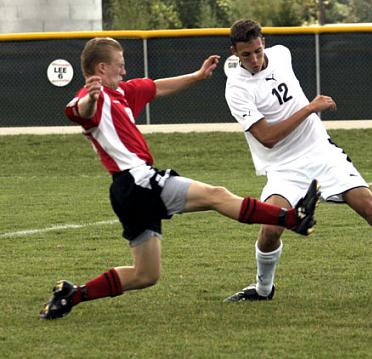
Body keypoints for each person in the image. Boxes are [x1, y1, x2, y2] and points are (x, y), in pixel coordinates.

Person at [39, 37, 321, 320]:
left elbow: (158, 86)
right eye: (120, 66)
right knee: (216, 195)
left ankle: (72, 295)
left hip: (130, 192)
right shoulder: (90, 99)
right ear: (101, 67)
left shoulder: (123, 92)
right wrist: (92, 97)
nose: (124, 71)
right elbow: (79, 111)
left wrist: (197, 77)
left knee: (145, 274)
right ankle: (293, 219)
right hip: (139, 182)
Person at [223, 19, 372, 302]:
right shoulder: (236, 89)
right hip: (283, 166)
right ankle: (263, 290)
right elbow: (268, 137)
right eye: (246, 54)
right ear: (234, 53)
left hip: (321, 152)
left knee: (371, 209)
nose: (255, 59)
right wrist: (310, 108)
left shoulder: (282, 54)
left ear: (264, 43)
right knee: (270, 228)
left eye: (258, 50)